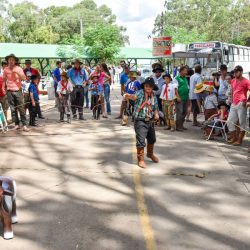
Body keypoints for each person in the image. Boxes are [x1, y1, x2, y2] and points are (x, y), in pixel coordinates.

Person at [124, 77, 159, 169]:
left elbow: (155, 107)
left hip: (150, 120)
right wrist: (128, 95)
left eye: (150, 86)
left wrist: (156, 114)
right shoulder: (140, 93)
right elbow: (134, 97)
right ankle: (141, 159)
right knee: (141, 140)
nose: (148, 88)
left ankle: (150, 154)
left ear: (152, 87)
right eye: (146, 86)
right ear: (144, 86)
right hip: (140, 120)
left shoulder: (153, 96)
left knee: (152, 139)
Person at [3, 54, 29, 131]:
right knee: (12, 109)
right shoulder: (5, 70)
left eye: (12, 60)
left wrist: (18, 73)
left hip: (18, 90)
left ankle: (24, 125)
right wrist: (3, 88)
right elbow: (4, 80)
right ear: (8, 61)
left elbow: (24, 78)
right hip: (9, 91)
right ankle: (16, 124)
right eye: (9, 60)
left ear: (15, 61)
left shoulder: (19, 68)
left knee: (21, 107)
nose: (11, 61)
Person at [227, 65, 250, 146]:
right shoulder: (233, 81)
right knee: (229, 121)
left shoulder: (246, 81)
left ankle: (239, 140)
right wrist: (232, 100)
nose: (235, 73)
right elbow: (233, 90)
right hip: (234, 103)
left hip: (242, 103)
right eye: (234, 72)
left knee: (242, 123)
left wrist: (248, 101)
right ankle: (234, 137)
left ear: (241, 72)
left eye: (237, 72)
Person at [174, 66, 189, 131]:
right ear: (181, 71)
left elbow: (187, 87)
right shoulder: (176, 78)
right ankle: (178, 126)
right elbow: (175, 88)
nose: (186, 72)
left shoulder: (185, 78)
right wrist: (177, 96)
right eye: (185, 70)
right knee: (180, 112)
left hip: (186, 97)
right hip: (180, 98)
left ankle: (181, 125)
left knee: (185, 112)